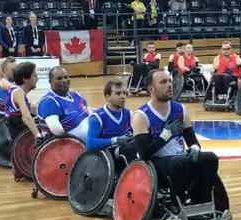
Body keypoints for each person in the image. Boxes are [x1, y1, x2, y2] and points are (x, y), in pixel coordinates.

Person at [132, 70, 222, 205]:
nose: (169, 85)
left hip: (179, 159)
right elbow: (144, 154)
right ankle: (178, 203)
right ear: (151, 89)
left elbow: (191, 139)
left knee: (210, 158)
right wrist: (165, 135)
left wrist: (195, 147)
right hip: (156, 164)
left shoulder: (180, 109)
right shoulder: (141, 116)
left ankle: (200, 201)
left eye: (169, 81)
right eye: (163, 82)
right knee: (182, 163)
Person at [86, 80, 137, 162]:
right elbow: (90, 143)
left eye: (124, 93)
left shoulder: (129, 113)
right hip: (106, 157)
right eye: (118, 93)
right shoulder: (97, 117)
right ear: (108, 97)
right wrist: (115, 140)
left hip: (125, 152)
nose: (123, 96)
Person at [37, 66, 91, 141]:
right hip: (76, 144)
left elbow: (89, 113)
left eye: (66, 77)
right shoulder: (49, 102)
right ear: (50, 82)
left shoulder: (76, 95)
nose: (64, 80)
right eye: (59, 78)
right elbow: (57, 130)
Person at [5, 62, 43, 141]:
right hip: (19, 138)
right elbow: (26, 118)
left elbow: (30, 108)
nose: (37, 78)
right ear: (25, 79)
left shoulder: (15, 88)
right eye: (34, 76)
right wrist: (38, 135)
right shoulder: (18, 92)